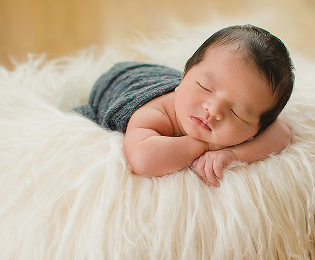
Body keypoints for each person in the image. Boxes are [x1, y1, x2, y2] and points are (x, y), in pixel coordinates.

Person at [75, 25, 294, 187]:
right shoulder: (154, 112)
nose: (213, 110)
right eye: (205, 86)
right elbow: (142, 158)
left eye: (237, 113)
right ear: (185, 75)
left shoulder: (255, 120)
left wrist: (234, 155)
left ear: (254, 130)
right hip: (120, 82)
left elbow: (281, 133)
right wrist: (207, 145)